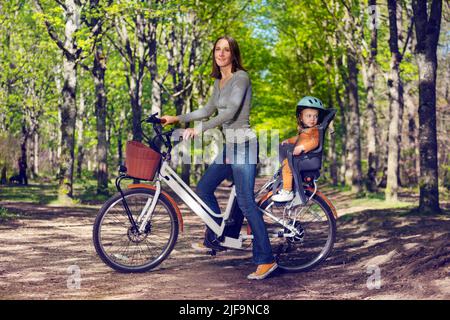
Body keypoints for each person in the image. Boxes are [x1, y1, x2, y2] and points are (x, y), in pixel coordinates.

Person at [161, 36, 277, 280]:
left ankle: (266, 260)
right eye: (218, 49)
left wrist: (200, 129)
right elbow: (206, 110)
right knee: (203, 188)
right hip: (230, 148)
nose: (221, 53)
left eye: (226, 50)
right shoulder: (218, 82)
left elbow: (231, 112)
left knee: (246, 203)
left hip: (245, 146)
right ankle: (217, 237)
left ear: (233, 54)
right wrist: (177, 118)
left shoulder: (241, 78)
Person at [272, 96, 323, 202]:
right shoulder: (306, 130)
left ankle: (287, 191)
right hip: (304, 158)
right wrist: (289, 141)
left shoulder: (315, 130)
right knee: (285, 163)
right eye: (309, 116)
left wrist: (302, 147)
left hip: (308, 159)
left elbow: (314, 142)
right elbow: (298, 138)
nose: (312, 119)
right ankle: (285, 182)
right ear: (301, 117)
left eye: (315, 116)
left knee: (287, 165)